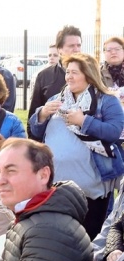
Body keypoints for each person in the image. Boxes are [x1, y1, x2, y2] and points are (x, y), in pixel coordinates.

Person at [29, 53, 124, 240]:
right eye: (67, 72)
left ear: (88, 75)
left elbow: (114, 131)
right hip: (55, 187)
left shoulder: (106, 100)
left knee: (86, 239)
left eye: (75, 72)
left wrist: (84, 121)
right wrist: (40, 116)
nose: (69, 77)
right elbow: (36, 132)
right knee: (57, 239)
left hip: (91, 190)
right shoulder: (58, 99)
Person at [28, 25, 82, 140]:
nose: (76, 49)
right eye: (71, 46)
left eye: (79, 45)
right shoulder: (44, 76)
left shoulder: (91, 74)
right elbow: (33, 115)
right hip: (52, 144)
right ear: (59, 49)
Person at [101, 36, 124, 102]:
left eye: (117, 49)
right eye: (109, 50)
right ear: (104, 53)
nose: (113, 52)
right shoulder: (97, 73)